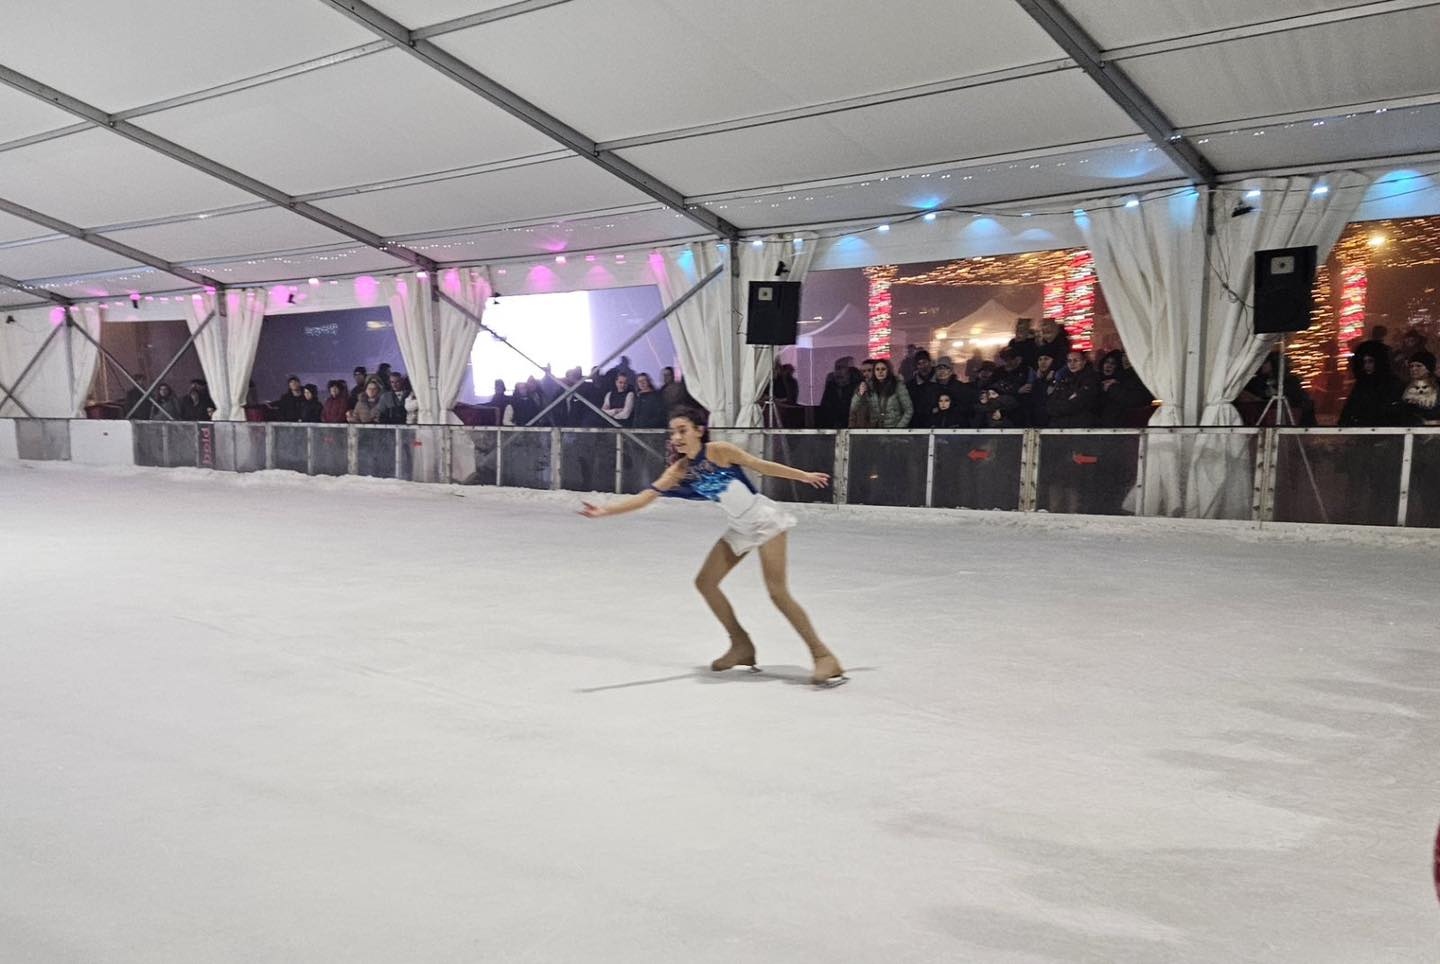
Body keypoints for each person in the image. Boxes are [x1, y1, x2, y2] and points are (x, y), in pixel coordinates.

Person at [580, 409, 845, 686]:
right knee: (705, 582)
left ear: (699, 430)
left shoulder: (719, 451)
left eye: (682, 430)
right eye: (673, 432)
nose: (676, 437)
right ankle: (741, 644)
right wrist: (605, 510)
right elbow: (645, 497)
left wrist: (803, 476)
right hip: (740, 527)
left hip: (765, 520)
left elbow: (760, 465)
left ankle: (824, 656)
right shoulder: (680, 470)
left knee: (777, 592)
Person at [850, 357, 912, 428]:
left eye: (883, 369)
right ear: (874, 372)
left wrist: (898, 429)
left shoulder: (897, 386)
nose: (880, 372)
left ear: (888, 371)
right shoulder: (869, 387)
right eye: (877, 369)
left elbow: (908, 410)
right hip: (876, 430)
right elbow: (854, 408)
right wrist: (860, 393)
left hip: (893, 428)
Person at [817, 356, 861, 429]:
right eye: (836, 368)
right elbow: (824, 410)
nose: (837, 371)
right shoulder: (831, 387)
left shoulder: (858, 387)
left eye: (841, 367)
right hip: (832, 429)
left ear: (850, 370)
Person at [1399, 351, 1440, 425]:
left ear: (1428, 368)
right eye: (1411, 366)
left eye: (1418, 366)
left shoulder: (1438, 385)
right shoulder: (1404, 387)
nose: (1414, 369)